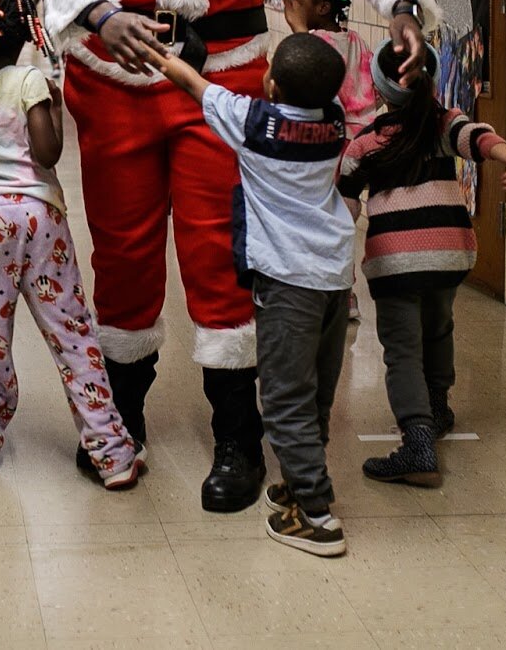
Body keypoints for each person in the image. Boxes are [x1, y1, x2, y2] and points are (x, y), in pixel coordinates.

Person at [32, 0, 440, 512]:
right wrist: (100, 14)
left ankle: (237, 438)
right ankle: (121, 423)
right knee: (123, 252)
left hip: (222, 84)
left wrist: (398, 1)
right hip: (114, 81)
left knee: (222, 253)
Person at [142, 34, 354, 556]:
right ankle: (298, 483)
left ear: (273, 84)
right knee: (316, 391)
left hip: (287, 284)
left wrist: (158, 52)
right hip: (334, 279)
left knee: (282, 399)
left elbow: (192, 84)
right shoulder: (335, 122)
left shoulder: (256, 125)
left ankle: (317, 513)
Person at [0, 0, 145, 490]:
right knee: (71, 332)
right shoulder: (30, 80)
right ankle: (112, 454)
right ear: (31, 33)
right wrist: (53, 108)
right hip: (40, 218)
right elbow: (47, 153)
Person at [339, 44, 506, 487]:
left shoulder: (365, 142)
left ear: (381, 90)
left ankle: (417, 443)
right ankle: (439, 407)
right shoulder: (443, 123)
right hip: (448, 253)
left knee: (402, 348)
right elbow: (477, 137)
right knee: (439, 327)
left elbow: (342, 212)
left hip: (396, 260)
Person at [283, 0, 377, 321]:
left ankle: (324, 295)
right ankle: (345, 295)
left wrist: (296, 30)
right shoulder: (356, 40)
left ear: (322, 7)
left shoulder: (314, 43)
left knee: (319, 220)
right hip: (361, 143)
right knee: (343, 221)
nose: (291, 1)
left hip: (330, 144)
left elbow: (305, 76)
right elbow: (374, 89)